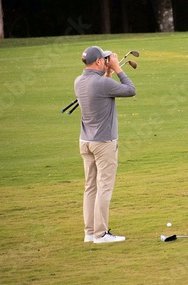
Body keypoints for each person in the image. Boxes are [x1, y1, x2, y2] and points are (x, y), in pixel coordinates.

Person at [74, 46, 136, 244]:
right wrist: (117, 69)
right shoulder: (101, 84)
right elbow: (130, 90)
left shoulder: (79, 80)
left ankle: (90, 232)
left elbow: (102, 89)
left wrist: (107, 73)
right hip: (103, 143)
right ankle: (101, 234)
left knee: (90, 187)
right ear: (99, 62)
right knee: (104, 188)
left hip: (86, 142)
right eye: (104, 59)